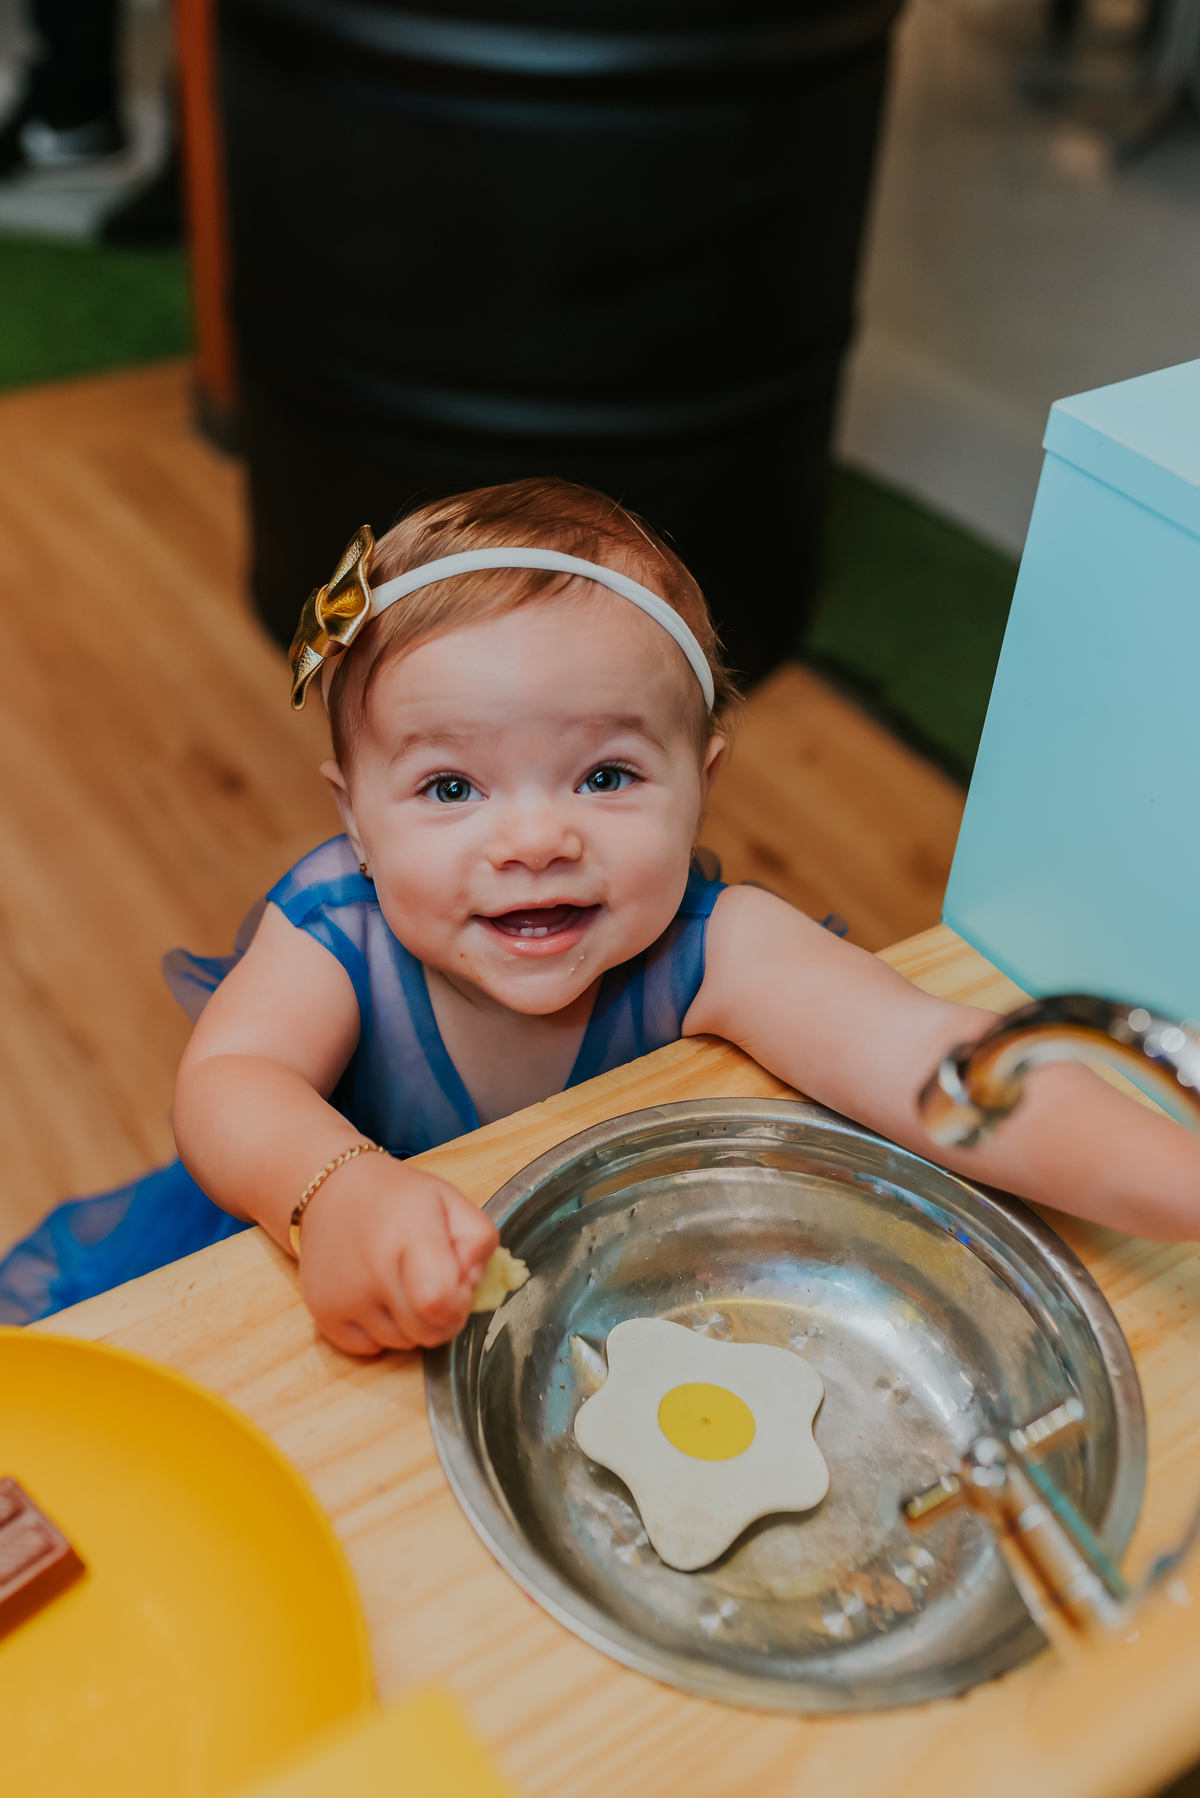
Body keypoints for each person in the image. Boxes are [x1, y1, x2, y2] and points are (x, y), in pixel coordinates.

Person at [3, 477, 1198, 1337]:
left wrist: (1179, 1180)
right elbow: (229, 1083)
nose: (534, 838)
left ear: (702, 788)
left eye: (608, 776)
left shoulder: (713, 947)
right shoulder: (338, 927)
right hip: (297, 1278)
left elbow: (953, 1070)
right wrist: (337, 1191)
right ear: (355, 821)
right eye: (450, 786)